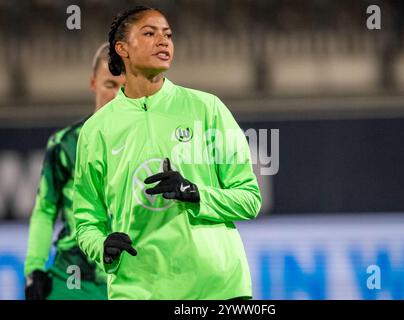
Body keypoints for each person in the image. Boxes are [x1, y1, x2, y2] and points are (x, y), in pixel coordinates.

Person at [73, 5, 262, 300]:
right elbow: (86, 219)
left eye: (168, 35)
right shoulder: (96, 130)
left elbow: (249, 199)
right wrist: (102, 246)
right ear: (121, 48)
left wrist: (196, 192)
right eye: (149, 33)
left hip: (215, 289)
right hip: (137, 290)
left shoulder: (207, 108)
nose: (163, 41)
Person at [24, 43, 126, 300]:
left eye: (124, 88)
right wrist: (34, 267)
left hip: (131, 280)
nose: (117, 95)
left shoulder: (153, 144)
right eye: (109, 85)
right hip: (73, 281)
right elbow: (45, 210)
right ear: (93, 83)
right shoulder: (65, 144)